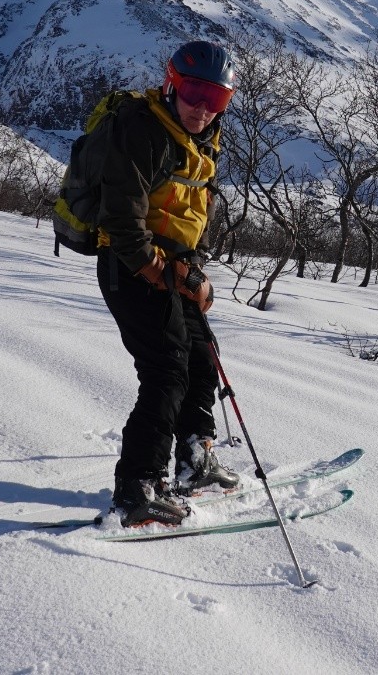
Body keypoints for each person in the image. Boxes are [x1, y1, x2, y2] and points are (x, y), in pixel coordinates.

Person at [94, 40, 243, 527]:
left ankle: (195, 458)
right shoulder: (144, 130)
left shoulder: (199, 142)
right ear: (171, 84)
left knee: (202, 355)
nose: (203, 108)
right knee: (165, 370)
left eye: (216, 99)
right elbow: (122, 218)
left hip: (172, 265)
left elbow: (183, 217)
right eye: (194, 92)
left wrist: (194, 275)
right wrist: (166, 272)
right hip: (129, 265)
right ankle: (139, 485)